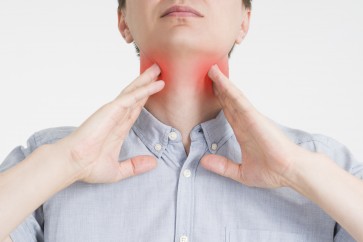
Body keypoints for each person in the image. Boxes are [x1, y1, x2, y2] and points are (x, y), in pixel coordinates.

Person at [0, 0, 362, 241]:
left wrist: (294, 170)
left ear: (244, 21)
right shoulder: (42, 168)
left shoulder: (330, 173)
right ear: (123, 21)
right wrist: (69, 161)